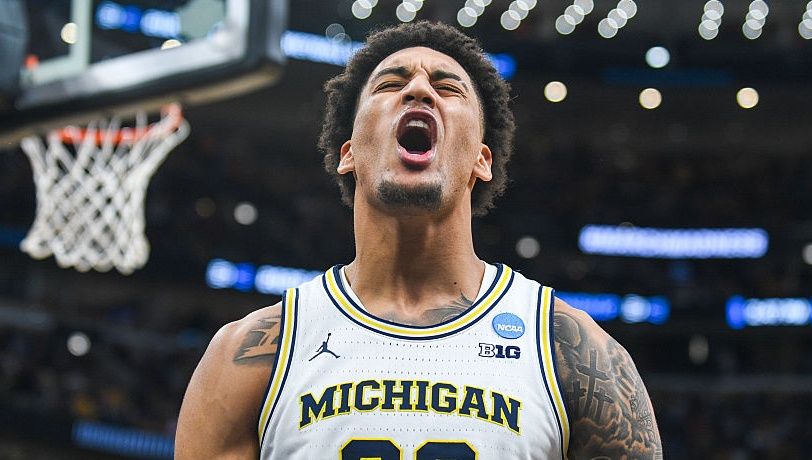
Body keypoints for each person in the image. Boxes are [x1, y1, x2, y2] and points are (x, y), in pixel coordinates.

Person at [176, 21, 662, 459]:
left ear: (482, 160)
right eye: (390, 84)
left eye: (448, 88)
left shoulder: (573, 352)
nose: (419, 90)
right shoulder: (250, 354)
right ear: (348, 153)